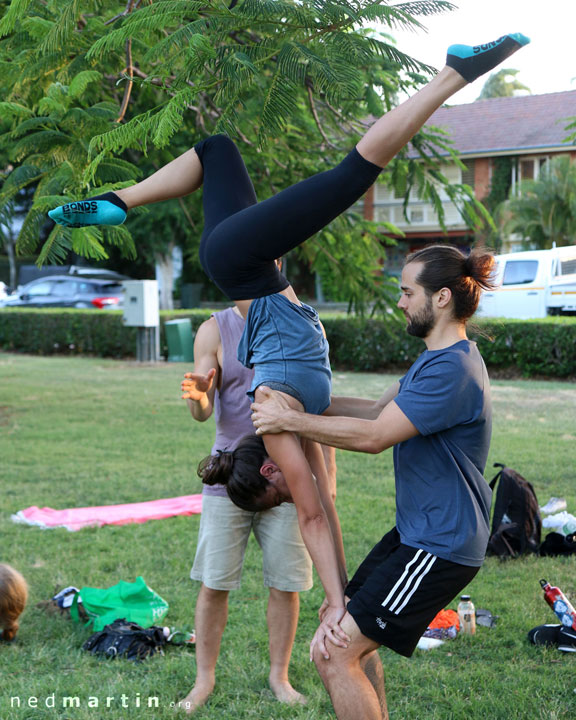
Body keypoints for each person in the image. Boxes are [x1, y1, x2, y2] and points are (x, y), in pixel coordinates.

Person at [48, 33, 530, 646]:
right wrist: (342, 601)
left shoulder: (285, 413)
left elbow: (315, 510)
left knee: (280, 159)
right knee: (287, 163)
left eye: (271, 484)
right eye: (277, 486)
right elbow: (318, 508)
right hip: (251, 274)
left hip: (262, 285)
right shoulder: (290, 415)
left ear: (266, 463)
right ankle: (450, 78)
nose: (284, 484)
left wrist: (338, 600)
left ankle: (119, 201)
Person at [250, 243, 499, 720]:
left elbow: (373, 436)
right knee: (350, 643)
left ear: (441, 298)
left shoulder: (454, 369)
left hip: (440, 544)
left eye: (408, 292)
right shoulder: (435, 361)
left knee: (334, 651)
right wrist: (300, 401)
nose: (401, 302)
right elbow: (372, 410)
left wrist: (291, 421)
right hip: (416, 535)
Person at [176, 305, 329, 712]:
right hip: (231, 476)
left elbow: (319, 401)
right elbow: (203, 409)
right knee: (215, 582)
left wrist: (326, 478)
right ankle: (203, 679)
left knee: (287, 582)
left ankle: (279, 676)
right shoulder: (215, 329)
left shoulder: (299, 321)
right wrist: (198, 397)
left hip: (286, 473)